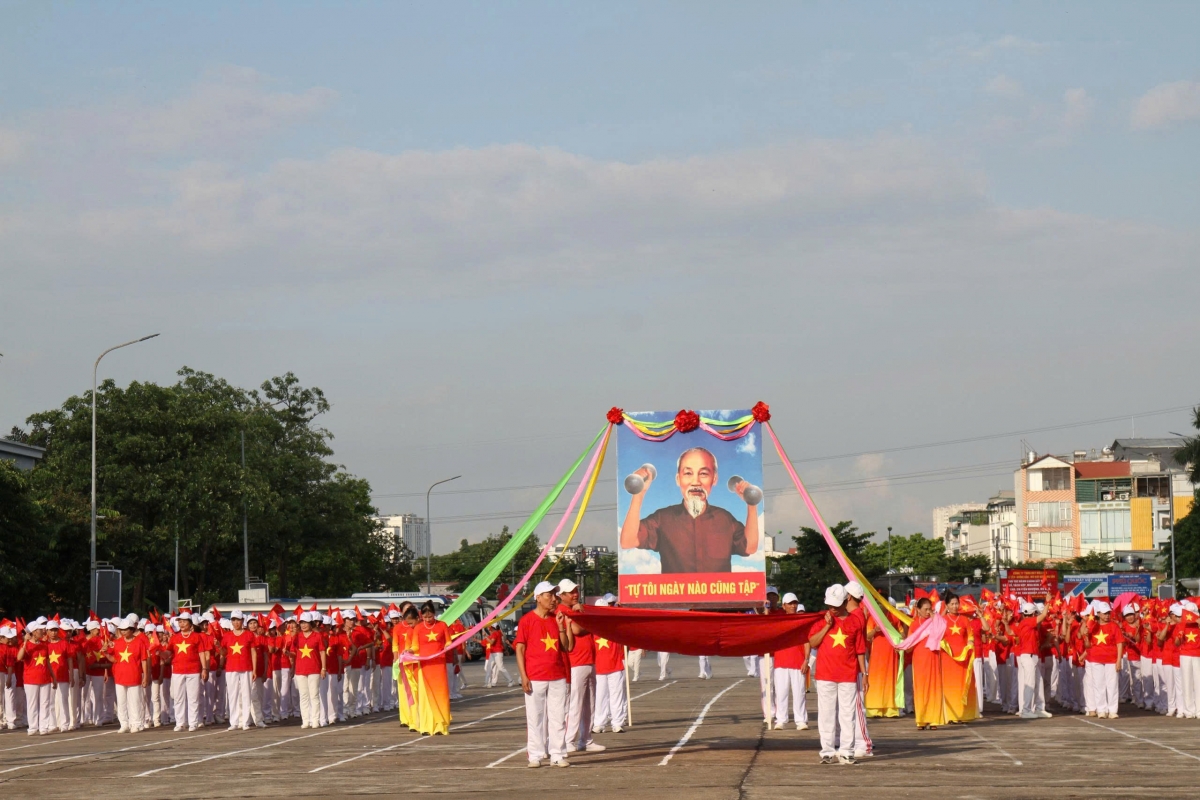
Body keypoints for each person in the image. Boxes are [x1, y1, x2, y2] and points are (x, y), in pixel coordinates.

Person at [619, 447, 759, 573]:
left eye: (703, 474)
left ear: (714, 479)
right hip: (676, 601)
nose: (695, 481)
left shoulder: (725, 519)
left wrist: (751, 504)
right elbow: (628, 541)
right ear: (678, 479)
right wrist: (639, 494)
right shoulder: (663, 519)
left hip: (717, 601)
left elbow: (749, 547)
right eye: (688, 473)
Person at [516, 581, 574, 768]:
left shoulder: (556, 618)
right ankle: (535, 754)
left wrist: (561, 627)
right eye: (549, 595)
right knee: (535, 717)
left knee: (558, 716)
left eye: (554, 595)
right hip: (535, 676)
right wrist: (524, 676)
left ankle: (557, 753)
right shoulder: (527, 620)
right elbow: (520, 648)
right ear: (538, 598)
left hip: (557, 675)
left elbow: (566, 646)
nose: (553, 599)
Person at [809, 584, 863, 765]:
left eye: (836, 604)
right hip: (825, 675)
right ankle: (827, 751)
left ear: (845, 600)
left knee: (848, 714)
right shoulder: (821, 619)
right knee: (826, 714)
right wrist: (826, 626)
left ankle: (847, 751)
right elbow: (813, 642)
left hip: (848, 674)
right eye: (830, 604)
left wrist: (866, 674)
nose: (832, 608)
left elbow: (860, 650)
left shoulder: (855, 621)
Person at [560, 579, 604, 754]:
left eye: (576, 590)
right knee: (576, 703)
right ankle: (569, 740)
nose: (575, 594)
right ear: (561, 595)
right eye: (571, 592)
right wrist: (590, 623)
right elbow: (577, 630)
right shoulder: (563, 611)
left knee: (590, 703)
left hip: (589, 659)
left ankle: (585, 739)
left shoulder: (576, 610)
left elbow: (581, 627)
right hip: (576, 661)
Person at [903, 598, 945, 731]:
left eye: (930, 609)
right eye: (925, 609)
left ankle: (933, 720)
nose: (928, 612)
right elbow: (909, 646)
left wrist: (935, 620)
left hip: (933, 658)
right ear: (918, 610)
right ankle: (921, 719)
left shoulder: (936, 622)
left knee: (933, 688)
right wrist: (902, 644)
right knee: (920, 689)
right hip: (919, 660)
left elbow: (941, 636)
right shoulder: (914, 624)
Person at [771, 592, 809, 730]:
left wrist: (806, 659)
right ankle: (781, 719)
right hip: (781, 661)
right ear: (784, 606)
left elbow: (807, 641)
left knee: (799, 692)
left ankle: (801, 720)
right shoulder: (778, 621)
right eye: (790, 603)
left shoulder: (802, 621)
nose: (793, 606)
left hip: (798, 661)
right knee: (781, 692)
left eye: (795, 603)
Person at [106, 618, 149, 733]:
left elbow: (144, 660)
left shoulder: (139, 642)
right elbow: (114, 659)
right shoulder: (117, 642)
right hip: (120, 676)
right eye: (121, 630)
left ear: (131, 630)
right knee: (121, 701)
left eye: (125, 629)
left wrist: (145, 675)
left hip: (134, 675)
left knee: (135, 701)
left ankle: (136, 723)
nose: (123, 632)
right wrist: (105, 653)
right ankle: (124, 723)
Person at [415, 601, 452, 735]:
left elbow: (448, 641)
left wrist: (448, 646)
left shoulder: (442, 625)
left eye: (430, 617)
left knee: (440, 694)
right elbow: (415, 646)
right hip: (425, 665)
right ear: (421, 616)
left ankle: (441, 725)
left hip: (439, 664)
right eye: (425, 617)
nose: (428, 619)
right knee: (425, 695)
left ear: (434, 614)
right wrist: (409, 651)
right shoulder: (418, 628)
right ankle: (426, 726)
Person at [940, 593, 978, 724]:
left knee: (962, 685)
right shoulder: (942, 620)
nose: (955, 606)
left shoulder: (964, 620)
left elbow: (970, 636)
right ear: (947, 605)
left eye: (956, 603)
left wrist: (970, 643)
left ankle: (964, 714)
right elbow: (937, 638)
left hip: (963, 658)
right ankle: (950, 714)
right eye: (952, 604)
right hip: (947, 658)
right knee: (950, 685)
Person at [591, 599, 627, 734]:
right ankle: (599, 723)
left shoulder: (614, 624)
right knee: (600, 696)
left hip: (615, 665)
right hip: (599, 666)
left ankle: (617, 723)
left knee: (616, 695)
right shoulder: (592, 626)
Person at [1082, 600, 1123, 719]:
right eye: (1104, 613)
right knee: (1098, 684)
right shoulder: (1093, 625)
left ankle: (1112, 710)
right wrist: (1085, 636)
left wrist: (1119, 660)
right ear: (1098, 614)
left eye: (1108, 613)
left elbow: (1120, 643)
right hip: (1096, 658)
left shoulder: (1114, 626)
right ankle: (1101, 710)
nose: (1107, 615)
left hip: (1111, 659)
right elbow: (1088, 645)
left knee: (1112, 684)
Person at [1013, 601, 1052, 719]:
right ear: (1032, 613)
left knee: (1038, 682)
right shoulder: (1027, 622)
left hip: (1032, 655)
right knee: (1030, 683)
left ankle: (1039, 708)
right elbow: (1044, 616)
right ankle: (1026, 709)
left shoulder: (1029, 623)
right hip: (1028, 656)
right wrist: (1048, 601)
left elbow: (1039, 623)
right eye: (1035, 613)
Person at [223, 611, 256, 730]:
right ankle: (234, 722)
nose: (236, 622)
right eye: (233, 620)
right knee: (233, 695)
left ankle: (245, 721)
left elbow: (253, 652)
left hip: (246, 667)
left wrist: (255, 669)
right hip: (231, 668)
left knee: (246, 694)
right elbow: (223, 652)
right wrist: (217, 646)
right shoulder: (227, 636)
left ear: (242, 621)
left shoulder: (249, 635)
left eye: (238, 620)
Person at [393, 607, 420, 731]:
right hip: (405, 663)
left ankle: (419, 719)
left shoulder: (419, 628)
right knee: (406, 691)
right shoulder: (399, 628)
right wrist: (396, 659)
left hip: (420, 663)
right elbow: (395, 645)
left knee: (418, 693)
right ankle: (407, 719)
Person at [482, 624, 514, 688]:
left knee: (500, 667)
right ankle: (487, 683)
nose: (489, 629)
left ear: (493, 627)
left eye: (490, 627)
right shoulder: (497, 633)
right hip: (493, 652)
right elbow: (500, 642)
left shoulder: (495, 633)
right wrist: (505, 650)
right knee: (489, 668)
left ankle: (511, 681)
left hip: (497, 653)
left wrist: (485, 636)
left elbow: (491, 642)